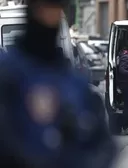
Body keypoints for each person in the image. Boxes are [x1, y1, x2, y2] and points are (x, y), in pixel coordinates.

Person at [0, 0, 116, 167]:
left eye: (56, 8)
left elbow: (103, 145)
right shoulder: (8, 73)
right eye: (44, 8)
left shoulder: (74, 82)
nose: (49, 16)